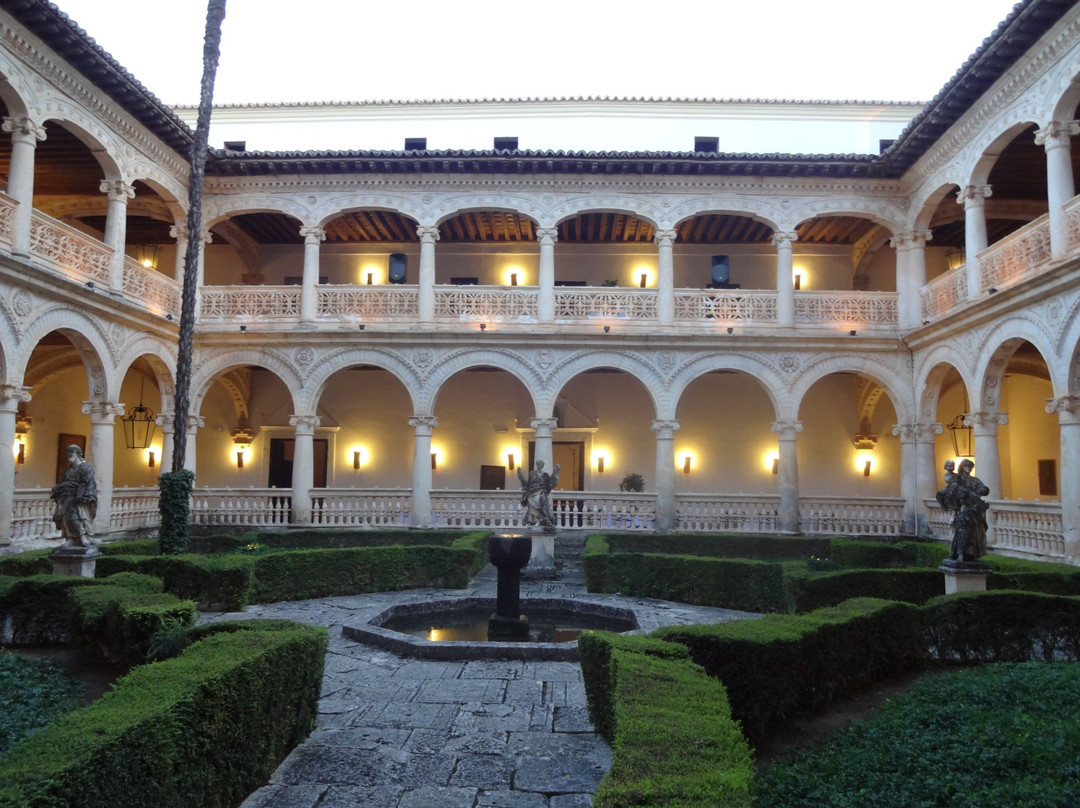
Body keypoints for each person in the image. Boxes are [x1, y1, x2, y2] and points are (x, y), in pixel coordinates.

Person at [936, 458, 989, 562]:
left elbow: (985, 490)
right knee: (963, 531)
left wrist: (980, 490)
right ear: (961, 467)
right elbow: (950, 482)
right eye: (965, 465)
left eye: (970, 466)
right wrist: (949, 469)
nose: (968, 468)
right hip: (964, 509)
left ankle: (973, 554)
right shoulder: (957, 478)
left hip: (975, 510)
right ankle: (960, 553)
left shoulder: (975, 480)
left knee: (975, 532)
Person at [50, 444, 97, 548]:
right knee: (65, 519)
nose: (69, 455)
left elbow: (90, 483)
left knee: (75, 517)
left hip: (78, 497)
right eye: (68, 453)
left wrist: (87, 496)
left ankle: (83, 537)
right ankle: (70, 539)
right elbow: (65, 481)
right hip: (66, 497)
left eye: (71, 453)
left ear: (78, 454)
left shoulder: (85, 468)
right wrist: (59, 487)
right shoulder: (69, 469)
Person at [516, 459, 561, 527]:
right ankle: (535, 520)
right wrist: (520, 476)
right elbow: (528, 484)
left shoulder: (545, 476)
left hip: (541, 492)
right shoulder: (532, 473)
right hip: (531, 493)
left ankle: (542, 519)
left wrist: (555, 474)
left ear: (543, 465)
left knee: (540, 500)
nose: (538, 465)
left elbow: (551, 484)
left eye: (540, 464)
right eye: (537, 463)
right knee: (530, 497)